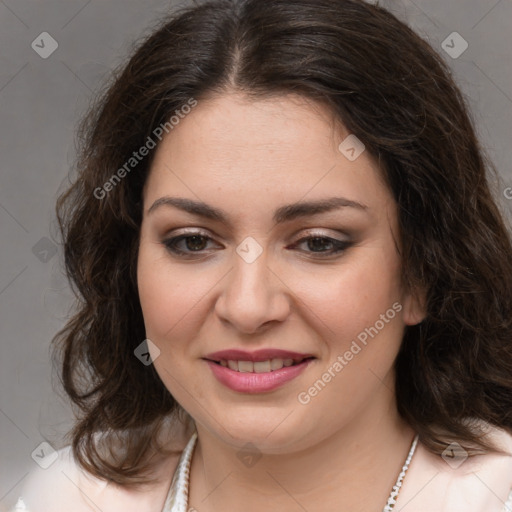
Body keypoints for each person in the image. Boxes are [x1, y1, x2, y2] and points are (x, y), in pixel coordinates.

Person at [17, 0, 512, 510]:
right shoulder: (67, 497)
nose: (248, 308)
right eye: (193, 241)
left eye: (319, 243)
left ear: (422, 272)